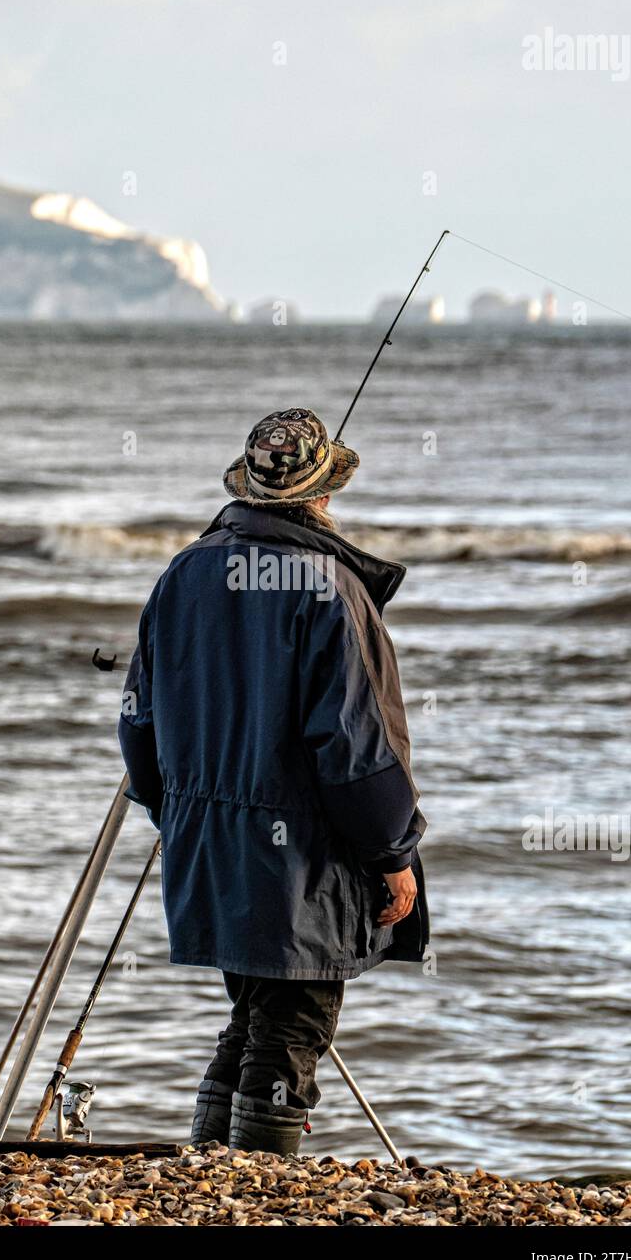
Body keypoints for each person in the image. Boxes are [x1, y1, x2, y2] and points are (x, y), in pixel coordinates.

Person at [119, 406, 428, 1155]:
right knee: (292, 1023)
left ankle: (214, 1171)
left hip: (208, 837)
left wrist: (174, 816)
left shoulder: (184, 572)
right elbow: (354, 747)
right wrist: (394, 853)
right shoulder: (329, 586)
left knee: (257, 1012)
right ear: (322, 496)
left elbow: (138, 721)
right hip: (301, 855)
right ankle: (257, 1178)